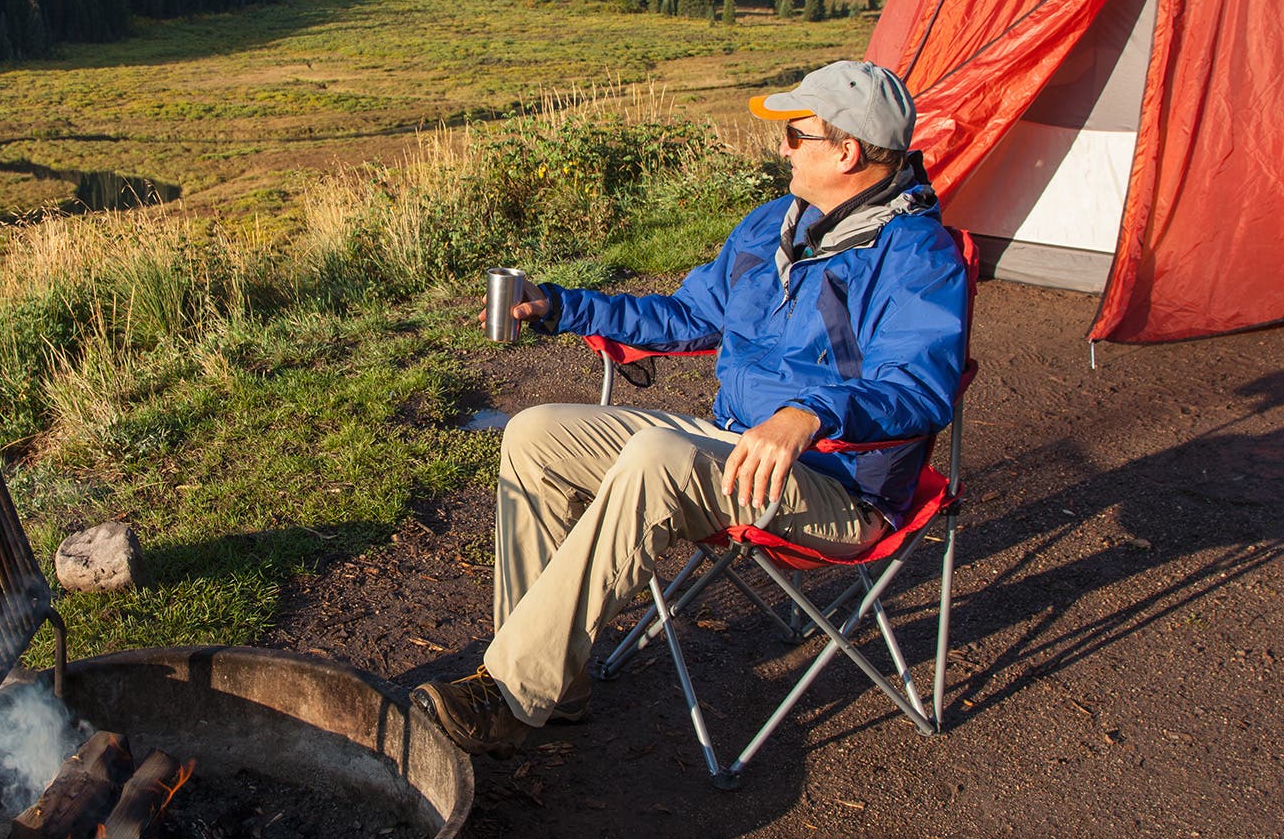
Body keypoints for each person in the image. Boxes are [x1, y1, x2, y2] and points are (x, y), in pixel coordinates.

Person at [412, 60, 970, 756]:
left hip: (838, 488)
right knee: (535, 432)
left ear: (846, 151)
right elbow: (685, 315)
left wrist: (810, 415)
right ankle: (555, 687)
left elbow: (922, 390)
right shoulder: (774, 226)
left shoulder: (918, 256)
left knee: (658, 457)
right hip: (735, 452)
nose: (782, 147)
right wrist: (561, 305)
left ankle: (511, 692)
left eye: (795, 135)